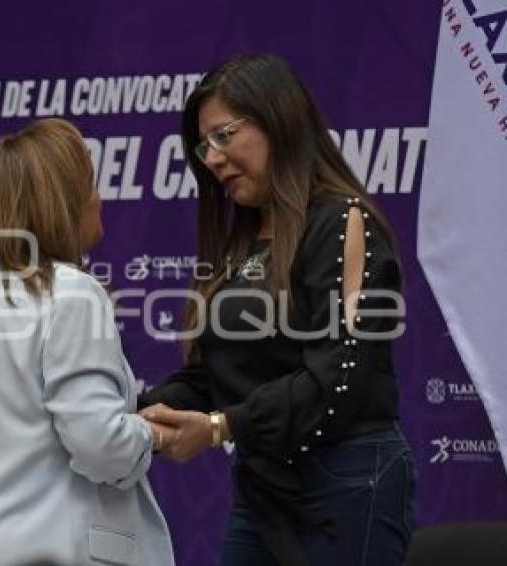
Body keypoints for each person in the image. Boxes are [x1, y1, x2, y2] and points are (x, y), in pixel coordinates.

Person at [139, 53, 415, 566]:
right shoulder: (241, 245)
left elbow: (338, 380)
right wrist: (131, 414)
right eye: (203, 146)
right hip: (263, 490)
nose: (212, 158)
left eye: (224, 135)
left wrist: (220, 428)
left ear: (279, 121)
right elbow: (211, 378)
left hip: (348, 481)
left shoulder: (343, 222)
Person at [0, 118, 175, 566]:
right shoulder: (71, 293)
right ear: (60, 203)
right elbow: (100, 445)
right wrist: (155, 434)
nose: (98, 198)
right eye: (88, 185)